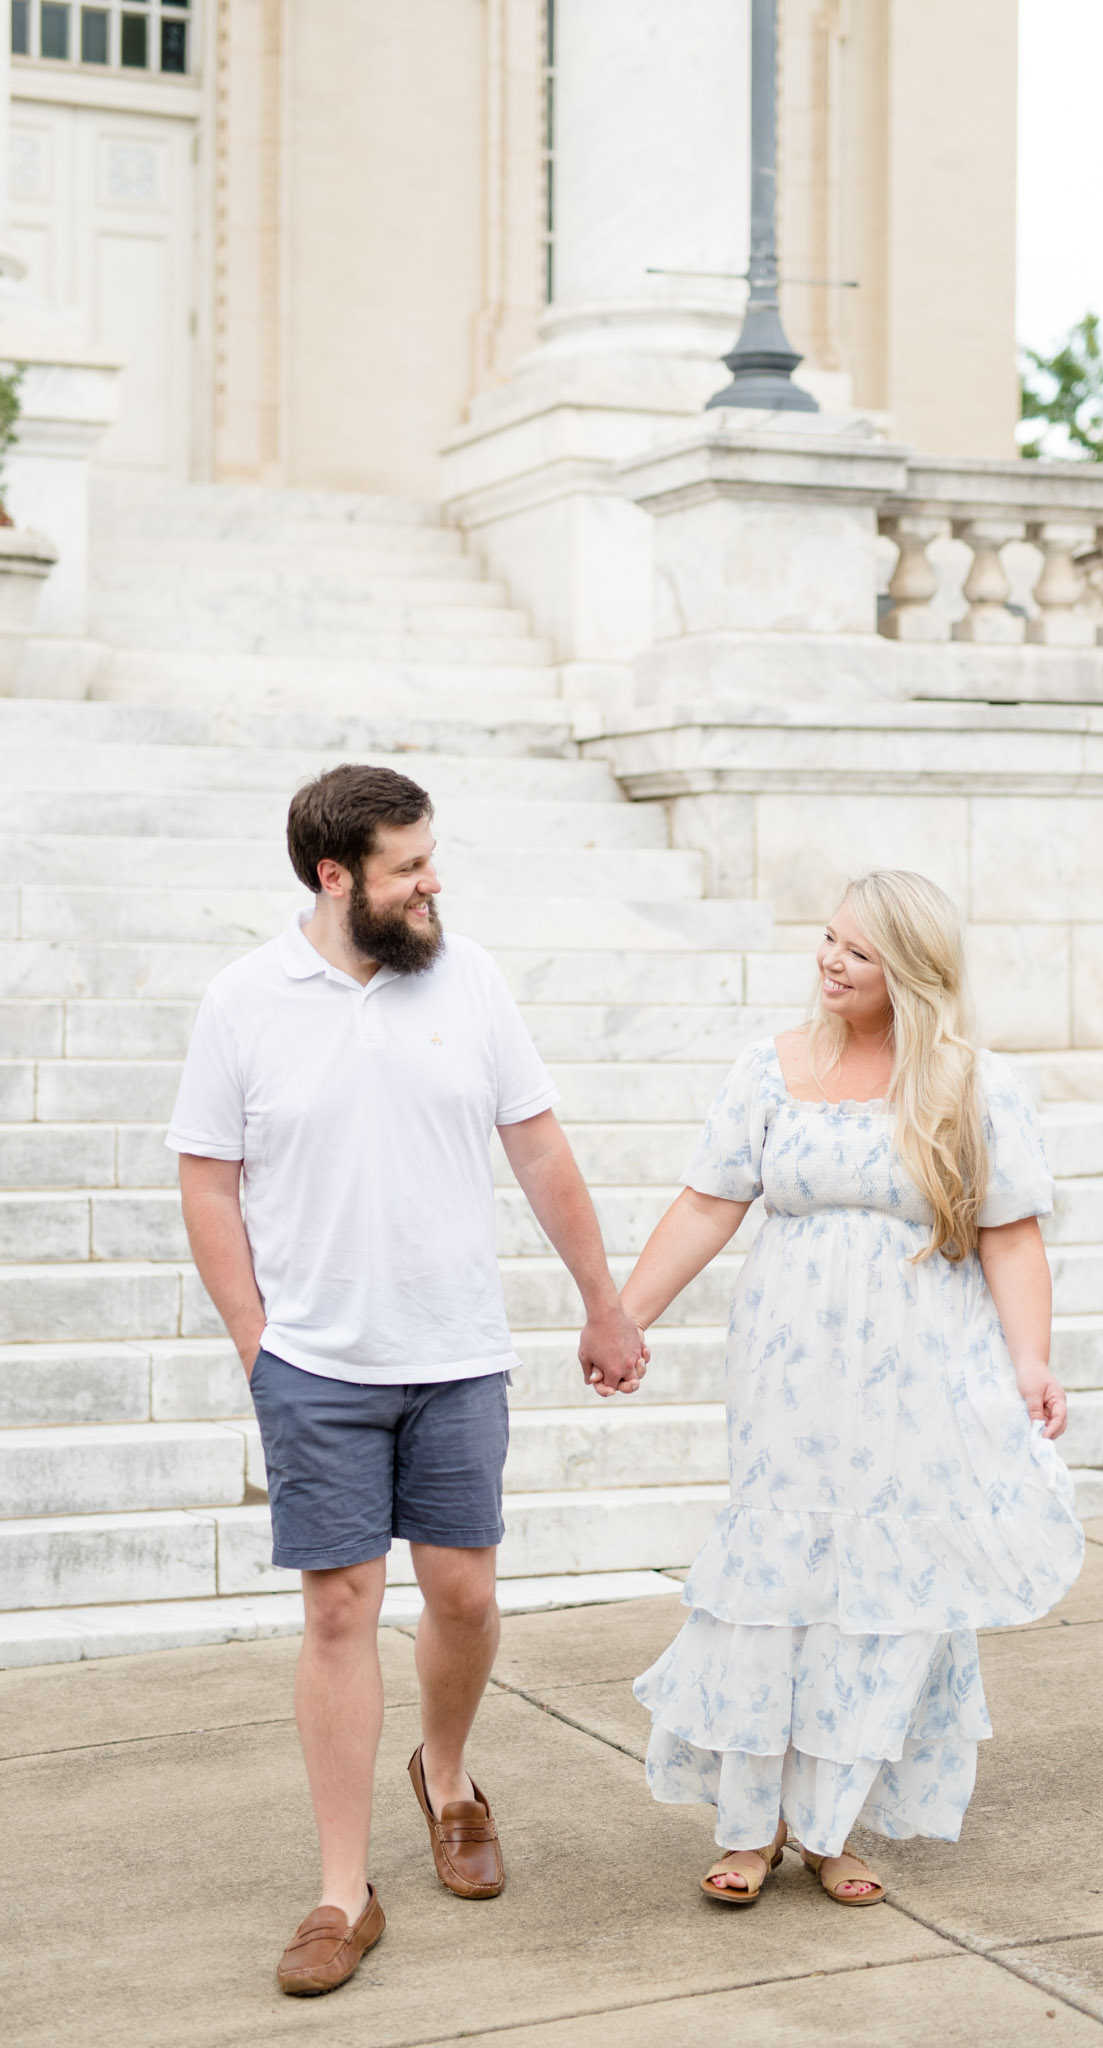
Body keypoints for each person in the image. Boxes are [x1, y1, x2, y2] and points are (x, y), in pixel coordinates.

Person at [168, 763, 645, 1996]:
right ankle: (341, 1889)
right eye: (408, 866)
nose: (434, 882)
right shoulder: (242, 1000)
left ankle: (444, 1769)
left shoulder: (468, 976)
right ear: (336, 877)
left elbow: (537, 1144)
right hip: (316, 1360)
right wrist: (254, 1340)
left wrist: (603, 1299)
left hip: (455, 1351)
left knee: (465, 1595)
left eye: (431, 859)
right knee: (337, 1607)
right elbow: (208, 1176)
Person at [623, 869, 1084, 1907]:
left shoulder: (970, 1085)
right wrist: (625, 1315)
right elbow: (704, 1206)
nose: (829, 960)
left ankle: (835, 1825)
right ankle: (755, 1822)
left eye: (857, 951)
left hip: (920, 1377)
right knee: (779, 1580)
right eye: (827, 938)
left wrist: (1030, 1358)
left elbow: (1011, 1238)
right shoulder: (766, 1069)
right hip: (786, 1379)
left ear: (911, 975)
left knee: (883, 1593)